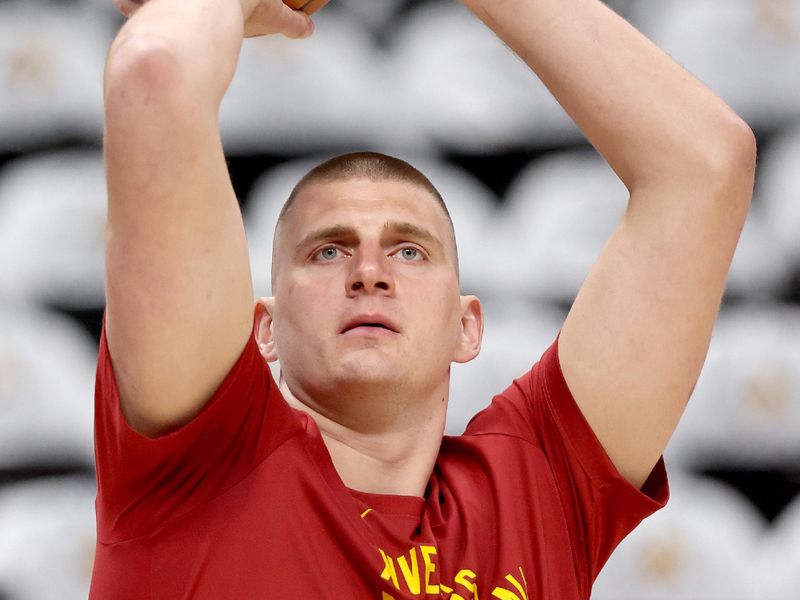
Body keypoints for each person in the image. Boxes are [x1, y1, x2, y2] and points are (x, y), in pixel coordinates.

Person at [91, 0, 756, 597]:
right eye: (329, 250)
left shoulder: (538, 491)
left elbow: (704, 164)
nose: (370, 272)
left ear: (468, 327)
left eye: (410, 251)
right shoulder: (197, 459)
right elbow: (154, 71)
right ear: (262, 327)